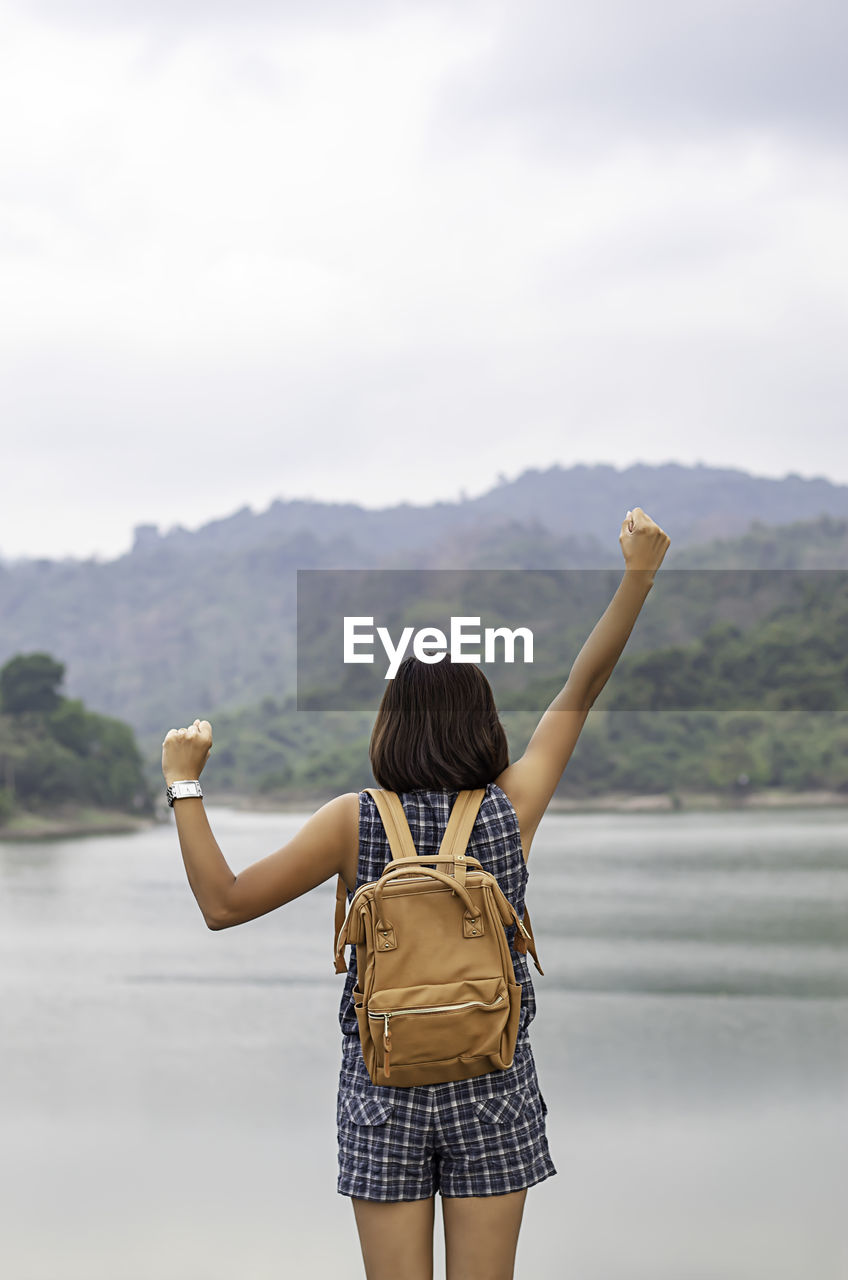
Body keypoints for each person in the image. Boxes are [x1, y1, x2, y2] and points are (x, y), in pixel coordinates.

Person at [161, 506, 671, 1280]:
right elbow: (583, 685)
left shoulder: (350, 822)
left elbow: (223, 904)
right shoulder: (511, 807)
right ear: (485, 724)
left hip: (383, 1089)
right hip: (493, 1082)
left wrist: (184, 780)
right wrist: (638, 578)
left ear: (390, 726)